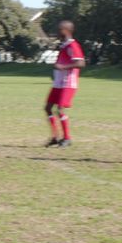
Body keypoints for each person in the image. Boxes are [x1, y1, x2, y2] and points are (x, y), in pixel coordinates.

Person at [45, 20, 85, 148]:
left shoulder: (73, 46)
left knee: (60, 108)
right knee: (48, 108)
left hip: (68, 83)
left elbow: (81, 63)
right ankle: (55, 137)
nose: (58, 32)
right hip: (58, 83)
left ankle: (67, 138)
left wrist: (62, 67)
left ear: (67, 31)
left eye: (60, 30)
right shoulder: (64, 46)